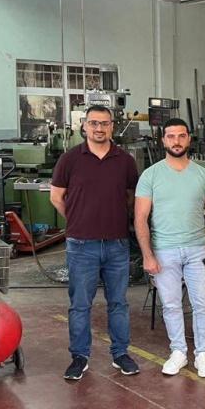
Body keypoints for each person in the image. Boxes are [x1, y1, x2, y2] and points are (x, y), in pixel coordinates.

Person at [50, 104, 140, 380]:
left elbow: (130, 198)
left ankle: (120, 354)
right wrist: (78, 219)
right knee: (80, 305)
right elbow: (56, 197)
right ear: (84, 126)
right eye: (93, 123)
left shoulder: (125, 161)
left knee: (118, 303)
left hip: (117, 245)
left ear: (112, 126)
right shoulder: (69, 159)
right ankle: (80, 356)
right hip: (81, 246)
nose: (99, 128)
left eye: (104, 123)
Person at [134, 118, 205, 378]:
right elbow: (140, 218)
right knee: (171, 305)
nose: (176, 141)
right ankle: (179, 352)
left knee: (203, 304)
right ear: (163, 140)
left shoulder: (203, 175)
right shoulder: (150, 175)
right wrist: (148, 255)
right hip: (164, 251)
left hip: (198, 250)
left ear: (189, 139)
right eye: (171, 136)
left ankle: (202, 353)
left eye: (181, 136)